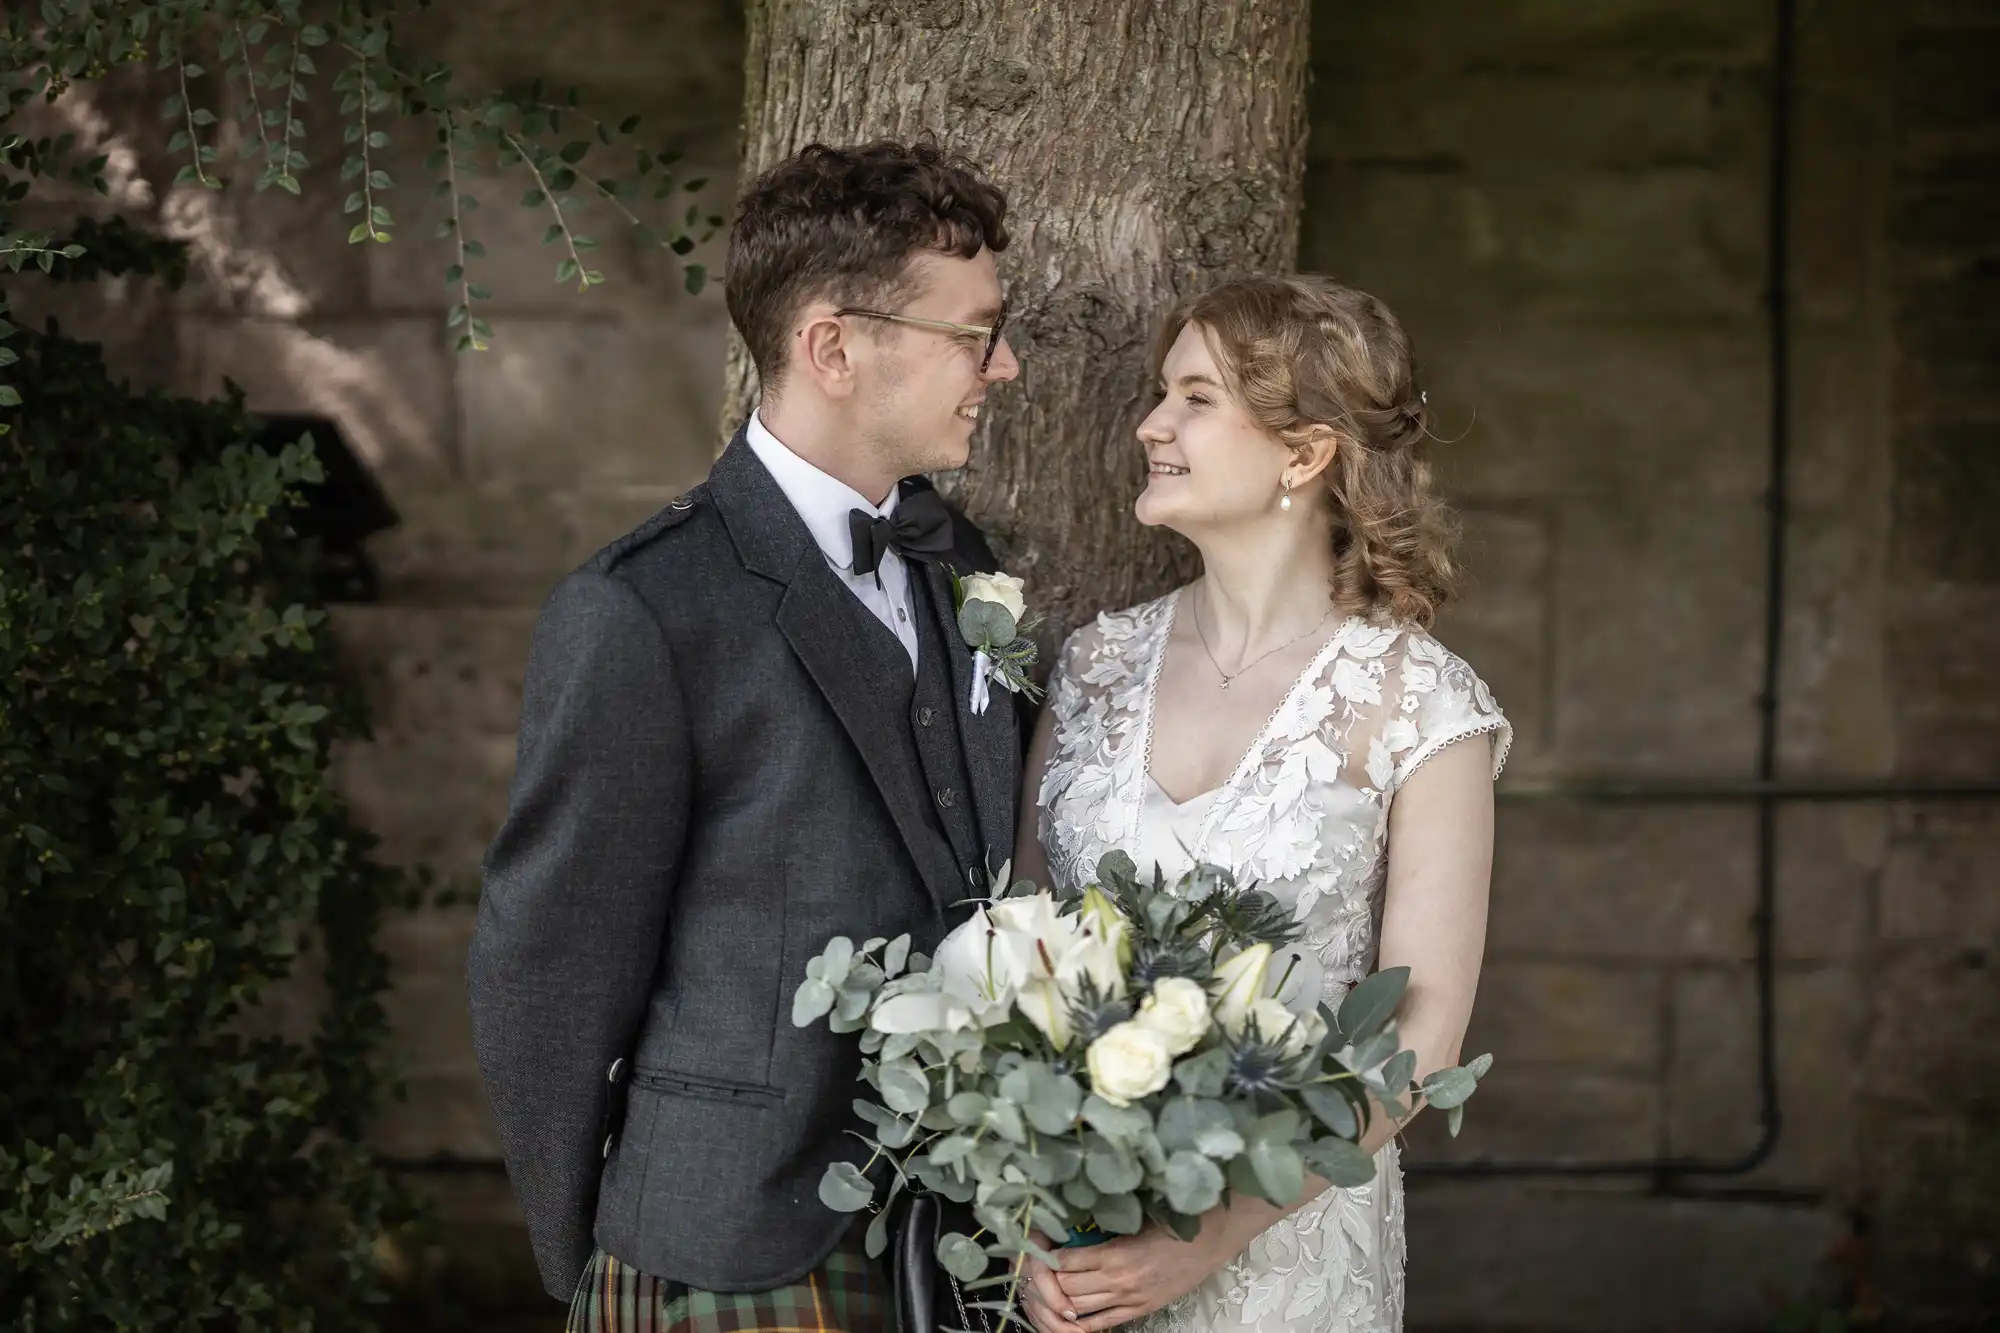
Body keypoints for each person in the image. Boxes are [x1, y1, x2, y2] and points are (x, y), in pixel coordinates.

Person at [466, 138, 1024, 1333]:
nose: (1004, 366)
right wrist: (596, 1244)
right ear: (832, 345)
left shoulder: (961, 566)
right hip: (723, 1242)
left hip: (959, 1244)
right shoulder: (643, 608)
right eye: (971, 335)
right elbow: (546, 965)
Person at [1016, 274, 1510, 1333]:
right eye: (1162, 393)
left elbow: (1419, 1030)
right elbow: (1020, 951)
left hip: (1286, 1260)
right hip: (1073, 1254)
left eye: (1195, 398)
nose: (1151, 424)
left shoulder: (1418, 702)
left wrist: (1202, 1239)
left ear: (1304, 451)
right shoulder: (1094, 667)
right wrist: (1020, 1216)